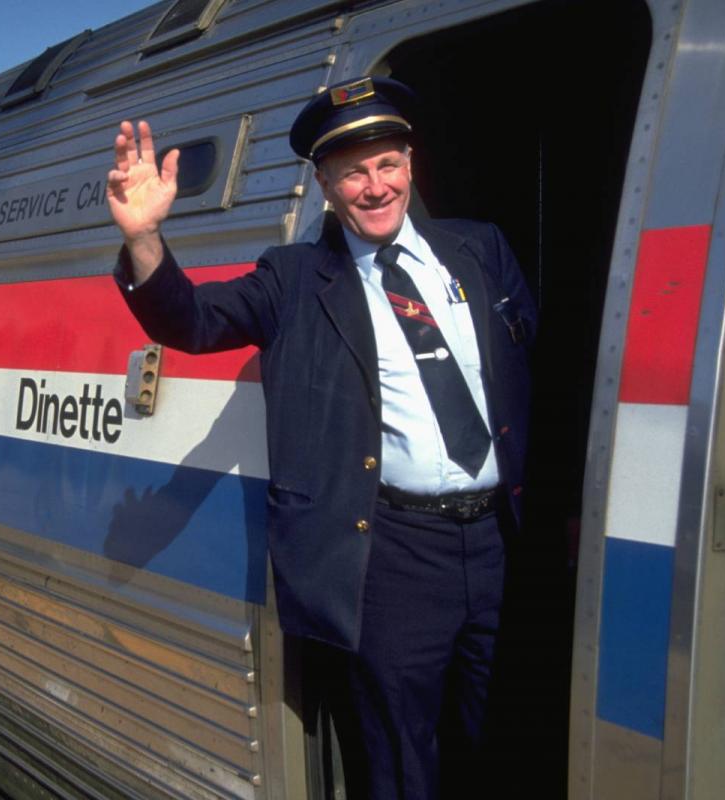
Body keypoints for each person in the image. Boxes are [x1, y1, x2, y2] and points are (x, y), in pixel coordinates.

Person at [106, 76, 536, 799]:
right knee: (401, 762)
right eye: (353, 172)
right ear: (326, 185)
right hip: (398, 558)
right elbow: (191, 321)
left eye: (388, 164)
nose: (376, 187)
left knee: (499, 734)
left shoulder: (479, 251)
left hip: (498, 540)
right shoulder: (295, 278)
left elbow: (528, 375)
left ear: (410, 164)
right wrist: (145, 238)